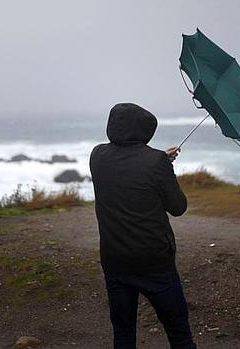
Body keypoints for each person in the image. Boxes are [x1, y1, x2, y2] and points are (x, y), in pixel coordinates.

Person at [89, 103, 196, 349]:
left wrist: (160, 161)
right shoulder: (155, 162)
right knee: (179, 332)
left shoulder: (97, 156)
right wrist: (163, 165)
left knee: (123, 332)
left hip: (115, 259)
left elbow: (130, 168)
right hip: (154, 261)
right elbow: (178, 207)